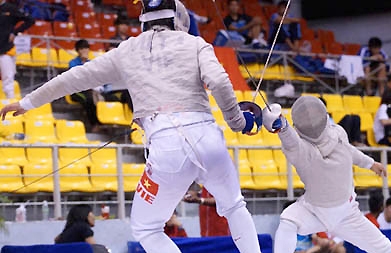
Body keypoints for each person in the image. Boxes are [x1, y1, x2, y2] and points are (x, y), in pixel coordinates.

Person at [0, 1, 262, 252]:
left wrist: (27, 102)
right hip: (208, 138)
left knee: (147, 229)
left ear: (144, 19)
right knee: (235, 207)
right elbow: (218, 80)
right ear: (177, 18)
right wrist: (238, 121)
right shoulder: (195, 43)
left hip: (166, 146)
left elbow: (74, 78)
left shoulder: (127, 50)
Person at [261, 97, 391, 253]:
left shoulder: (308, 147)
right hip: (329, 211)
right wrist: (282, 126)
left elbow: (348, 150)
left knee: (288, 221)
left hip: (336, 213)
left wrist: (281, 125)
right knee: (384, 248)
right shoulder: (335, 132)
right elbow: (292, 139)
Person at [0, 0, 34, 99]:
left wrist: (15, 32)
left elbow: (30, 20)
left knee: (8, 77)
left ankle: (10, 103)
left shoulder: (11, 8)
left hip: (6, 49)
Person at [68, 39, 102, 132]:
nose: (85, 51)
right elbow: (76, 76)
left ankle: (102, 121)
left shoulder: (92, 62)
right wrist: (83, 63)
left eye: (86, 48)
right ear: (78, 51)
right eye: (82, 49)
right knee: (88, 100)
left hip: (90, 89)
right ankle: (94, 124)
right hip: (76, 91)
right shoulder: (73, 63)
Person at [104, 16, 133, 112]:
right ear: (117, 26)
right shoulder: (113, 40)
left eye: (126, 25)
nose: (124, 27)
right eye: (122, 24)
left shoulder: (132, 40)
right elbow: (112, 55)